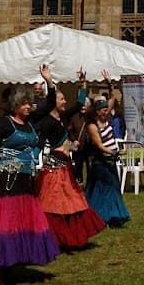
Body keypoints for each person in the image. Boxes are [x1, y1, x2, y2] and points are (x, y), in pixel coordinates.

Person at [0, 67, 61, 285]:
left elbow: (50, 104)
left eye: (29, 103)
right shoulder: (6, 123)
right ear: (15, 105)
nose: (28, 107)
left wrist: (49, 82)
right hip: (8, 180)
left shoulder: (31, 121)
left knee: (23, 221)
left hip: (26, 180)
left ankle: (14, 261)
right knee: (5, 222)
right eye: (24, 104)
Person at [37, 75, 106, 252]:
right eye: (62, 99)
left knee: (72, 200)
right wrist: (33, 160)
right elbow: (40, 142)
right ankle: (53, 238)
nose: (65, 101)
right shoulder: (47, 122)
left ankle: (71, 235)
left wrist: (83, 84)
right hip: (54, 168)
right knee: (54, 203)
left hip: (66, 166)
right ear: (53, 102)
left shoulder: (64, 117)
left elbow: (79, 102)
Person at [85, 95, 130, 227]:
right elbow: (99, 145)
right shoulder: (92, 126)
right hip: (100, 162)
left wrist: (111, 87)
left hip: (111, 161)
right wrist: (115, 152)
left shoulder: (106, 119)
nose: (106, 112)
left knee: (113, 189)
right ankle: (101, 217)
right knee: (103, 191)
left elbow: (112, 100)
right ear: (97, 111)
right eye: (104, 110)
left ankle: (114, 215)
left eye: (107, 110)